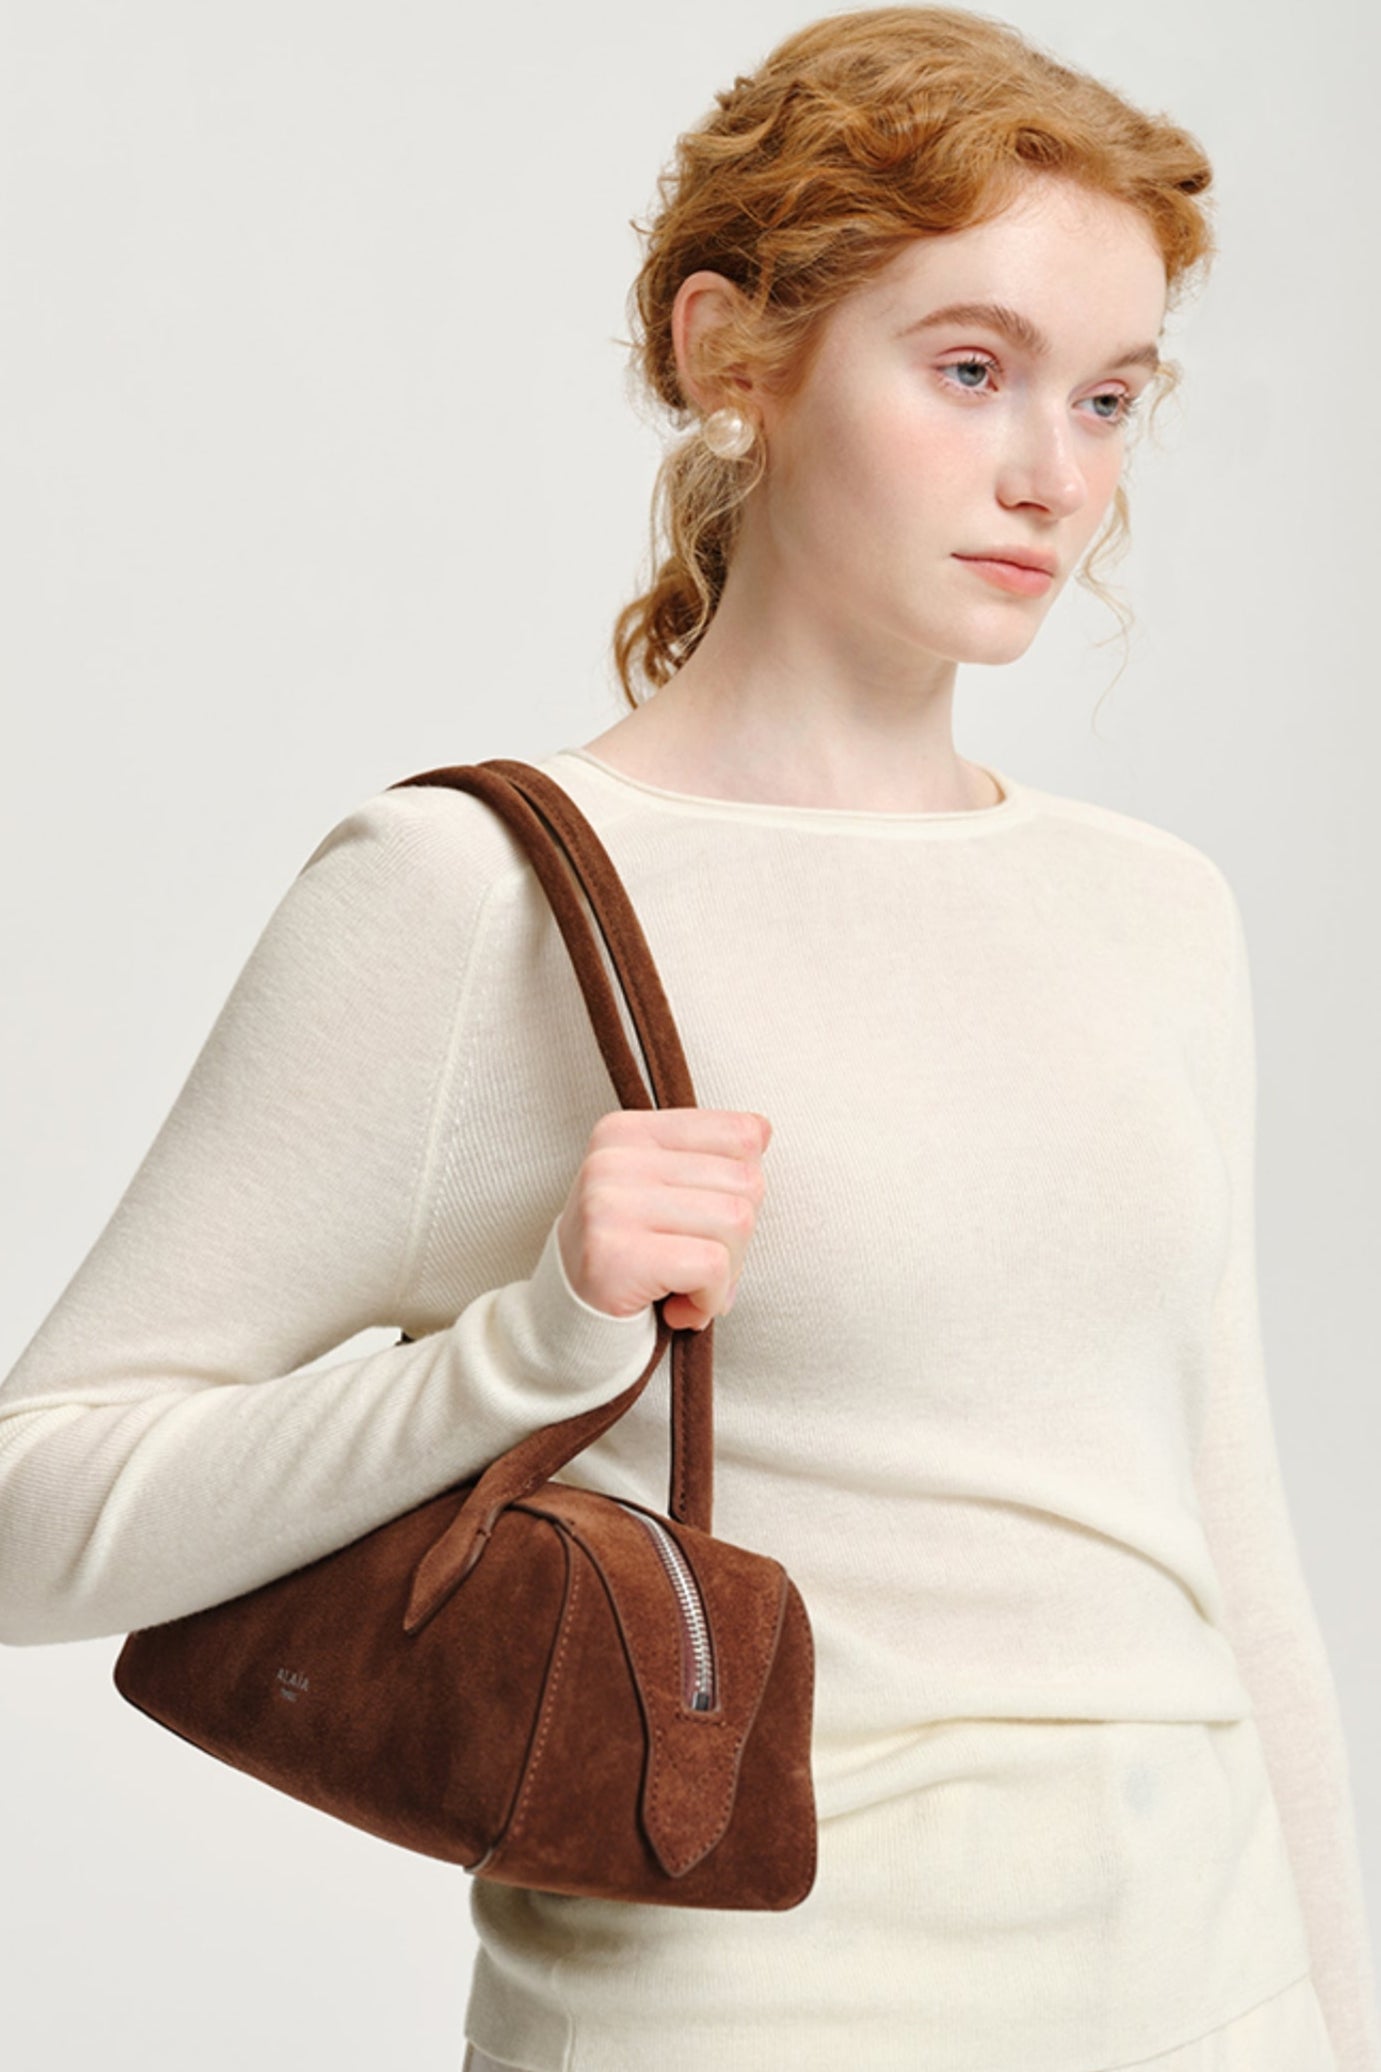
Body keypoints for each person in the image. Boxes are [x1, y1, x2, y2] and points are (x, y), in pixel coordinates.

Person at [1, 7, 1377, 2070]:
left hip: (1213, 2002)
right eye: (972, 370)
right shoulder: (471, 894)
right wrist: (520, 1354)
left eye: (1109, 398)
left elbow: (1226, 1544)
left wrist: (1336, 2016)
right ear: (731, 353)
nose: (1054, 475)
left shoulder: (1153, 907)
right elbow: (33, 1512)